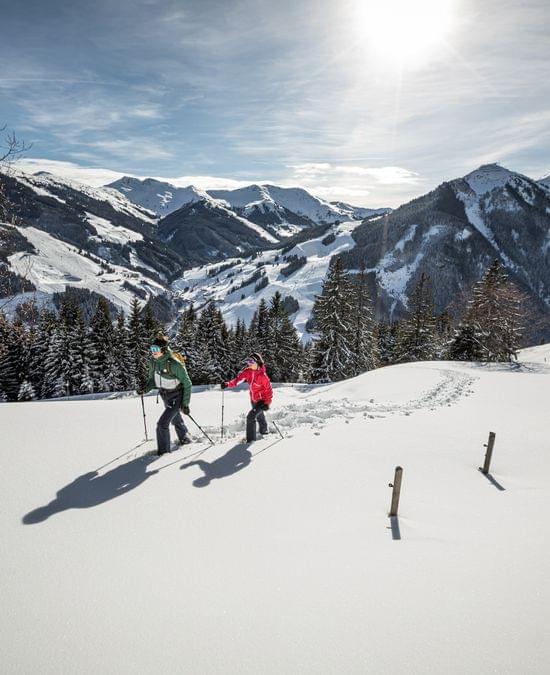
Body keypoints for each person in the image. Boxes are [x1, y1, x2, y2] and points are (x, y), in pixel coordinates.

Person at [140, 335, 192, 456]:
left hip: (176, 395)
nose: (153, 352)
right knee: (174, 418)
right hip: (164, 394)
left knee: (162, 425)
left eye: (155, 349)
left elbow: (187, 384)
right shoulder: (153, 362)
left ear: (163, 350)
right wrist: (144, 389)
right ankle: (185, 437)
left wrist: (185, 404)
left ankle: (164, 454)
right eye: (152, 349)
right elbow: (152, 380)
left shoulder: (175, 364)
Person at [221, 352, 273, 443]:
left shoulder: (263, 376)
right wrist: (227, 384)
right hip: (253, 400)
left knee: (250, 417)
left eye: (251, 361)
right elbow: (238, 380)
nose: (249, 364)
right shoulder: (248, 372)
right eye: (248, 361)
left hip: (261, 401)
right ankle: (264, 431)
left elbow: (269, 391)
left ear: (257, 362)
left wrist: (266, 403)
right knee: (259, 415)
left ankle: (251, 440)